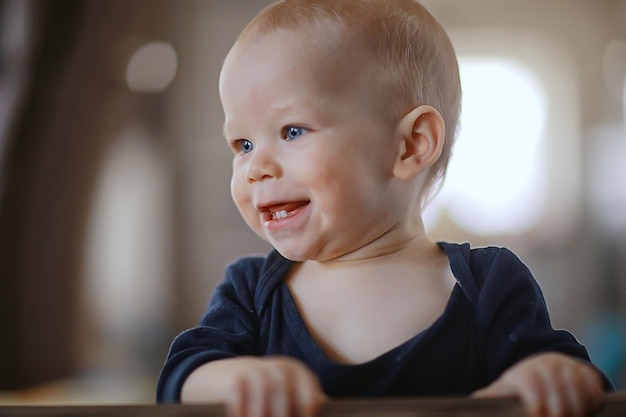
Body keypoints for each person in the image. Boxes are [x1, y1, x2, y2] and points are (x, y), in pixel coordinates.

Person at [156, 1, 614, 416]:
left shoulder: (488, 286)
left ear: (411, 145)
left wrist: (545, 377)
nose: (255, 168)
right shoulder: (252, 292)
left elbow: (578, 380)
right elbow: (181, 378)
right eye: (243, 143)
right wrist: (233, 381)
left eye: (293, 131)